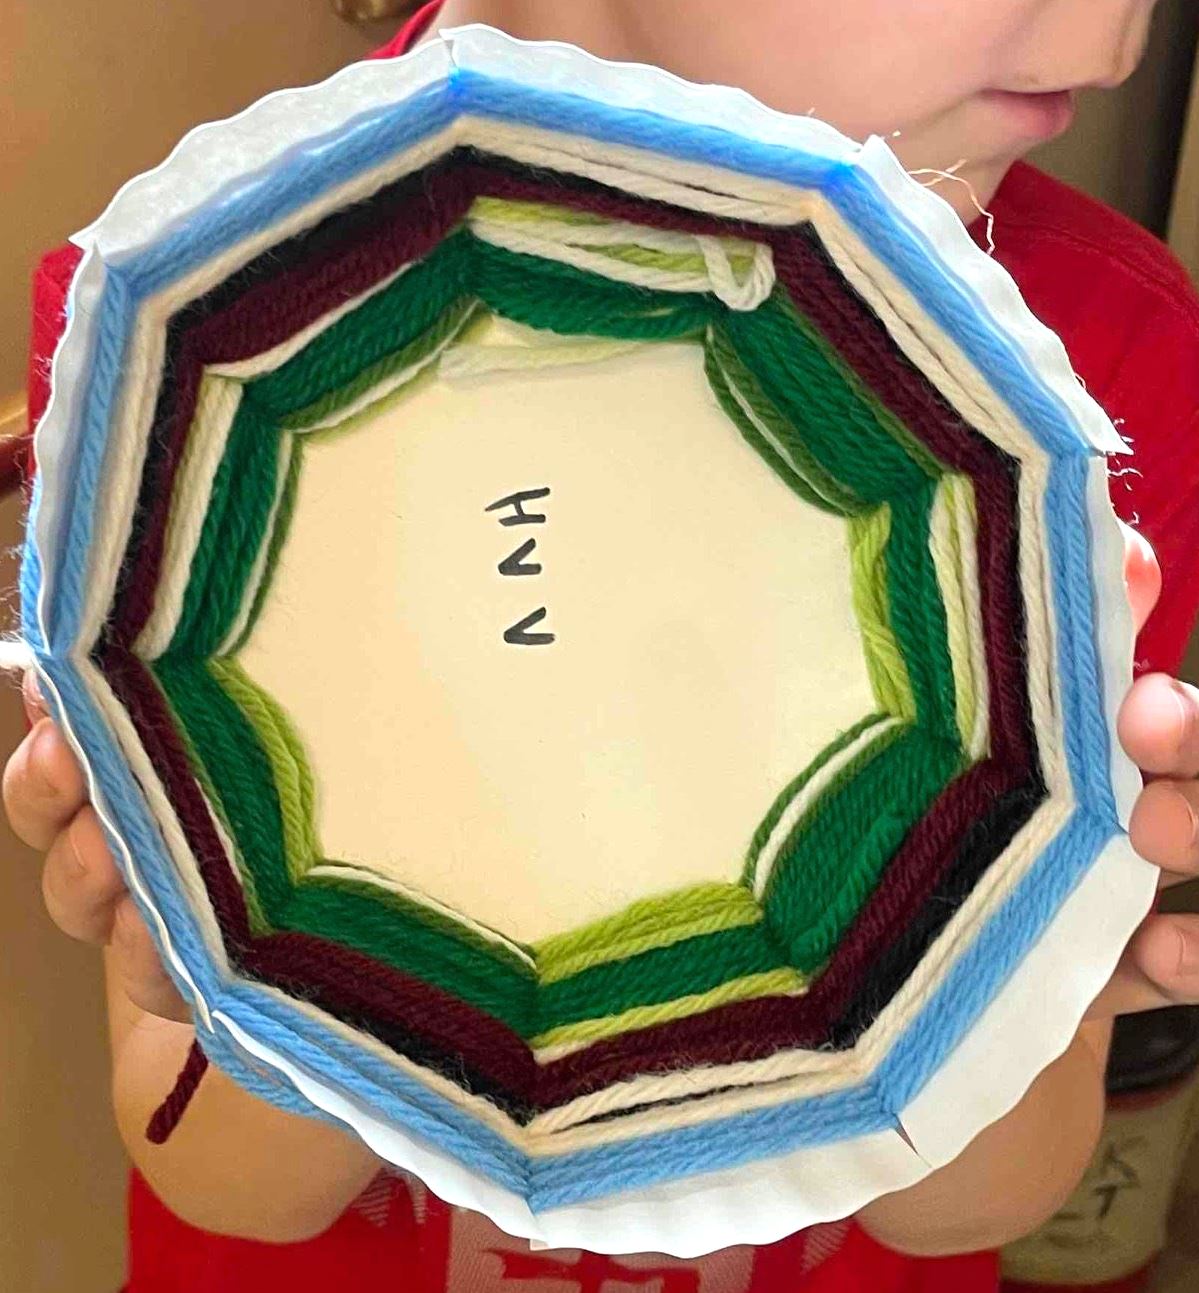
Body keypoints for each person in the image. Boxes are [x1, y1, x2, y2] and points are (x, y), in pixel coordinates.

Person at [9, 1, 1199, 1289]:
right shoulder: (193, 314)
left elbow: (974, 1202)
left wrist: (999, 980)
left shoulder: (1087, 377)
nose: (1111, 35)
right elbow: (227, 1181)